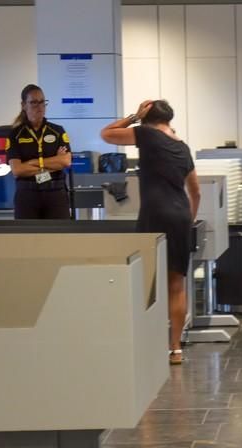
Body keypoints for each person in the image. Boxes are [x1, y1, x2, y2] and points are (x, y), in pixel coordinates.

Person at [101, 100, 200, 365]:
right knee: (176, 284)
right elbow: (196, 191)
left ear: (147, 118)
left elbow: (107, 134)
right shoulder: (183, 147)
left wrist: (134, 116)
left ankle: (148, 343)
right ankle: (176, 348)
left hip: (153, 214)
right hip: (179, 215)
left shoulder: (146, 134)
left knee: (147, 281)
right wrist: (186, 220)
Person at [7, 84, 72, 219]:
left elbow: (65, 161)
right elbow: (17, 170)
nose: (40, 107)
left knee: (60, 237)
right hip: (27, 194)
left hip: (55, 193)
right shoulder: (15, 134)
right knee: (27, 238)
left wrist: (33, 163)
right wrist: (53, 163)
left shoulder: (58, 131)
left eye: (42, 102)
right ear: (24, 105)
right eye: (34, 103)